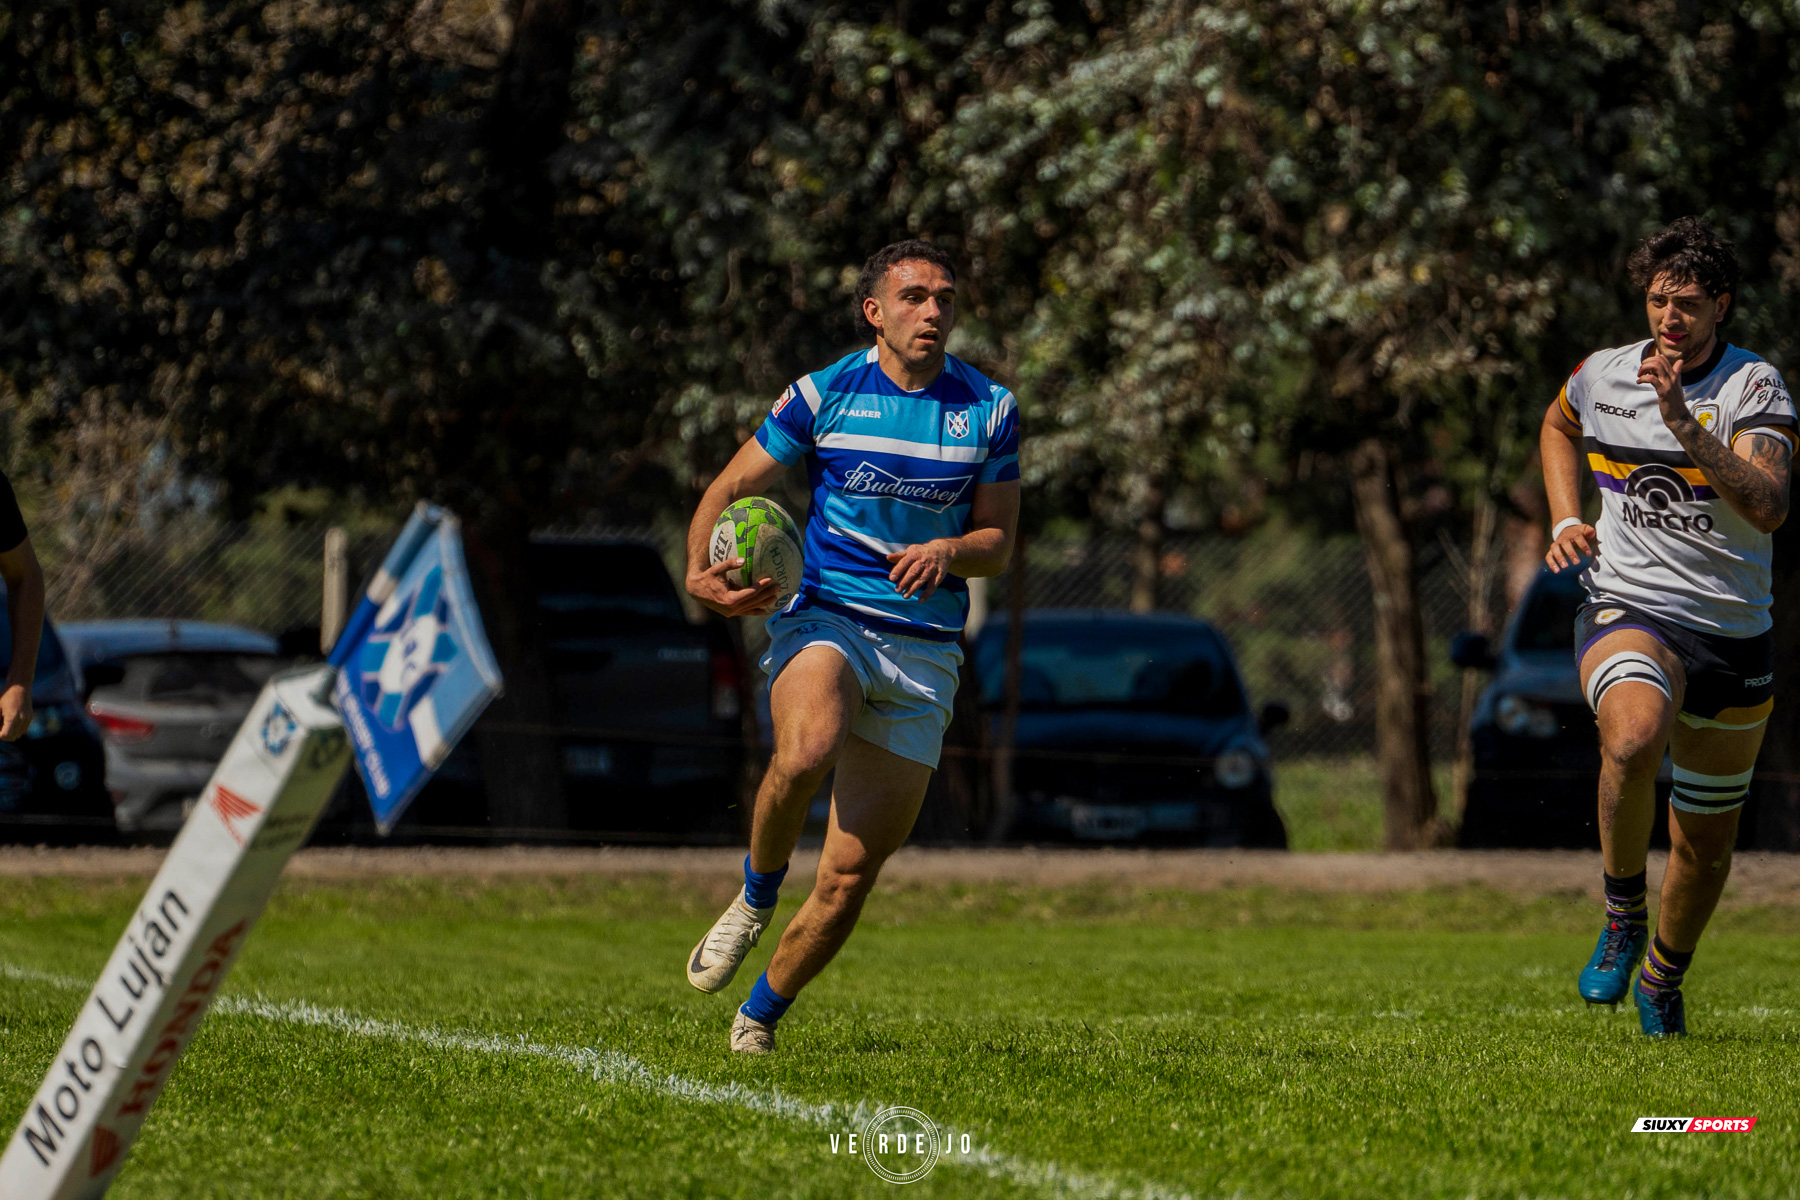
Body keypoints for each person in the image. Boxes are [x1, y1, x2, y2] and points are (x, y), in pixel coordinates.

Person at [680, 239, 1020, 1053]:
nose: (932, 311)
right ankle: (757, 895)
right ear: (875, 312)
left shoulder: (990, 408)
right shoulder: (824, 394)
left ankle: (758, 1017)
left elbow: (1000, 541)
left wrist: (951, 550)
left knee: (845, 878)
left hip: (926, 649)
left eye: (943, 297)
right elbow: (731, 488)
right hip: (826, 616)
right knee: (807, 751)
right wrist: (698, 572)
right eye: (913, 297)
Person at [1542, 217, 1793, 1036]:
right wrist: (1560, 518)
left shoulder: (1754, 389)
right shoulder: (1604, 373)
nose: (1668, 319)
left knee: (1704, 847)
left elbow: (1768, 504)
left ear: (1721, 305)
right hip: (1630, 606)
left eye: (1686, 303)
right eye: (1657, 301)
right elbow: (1558, 423)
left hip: (1731, 635)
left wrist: (1687, 424)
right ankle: (1621, 916)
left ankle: (1662, 975)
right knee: (1632, 735)